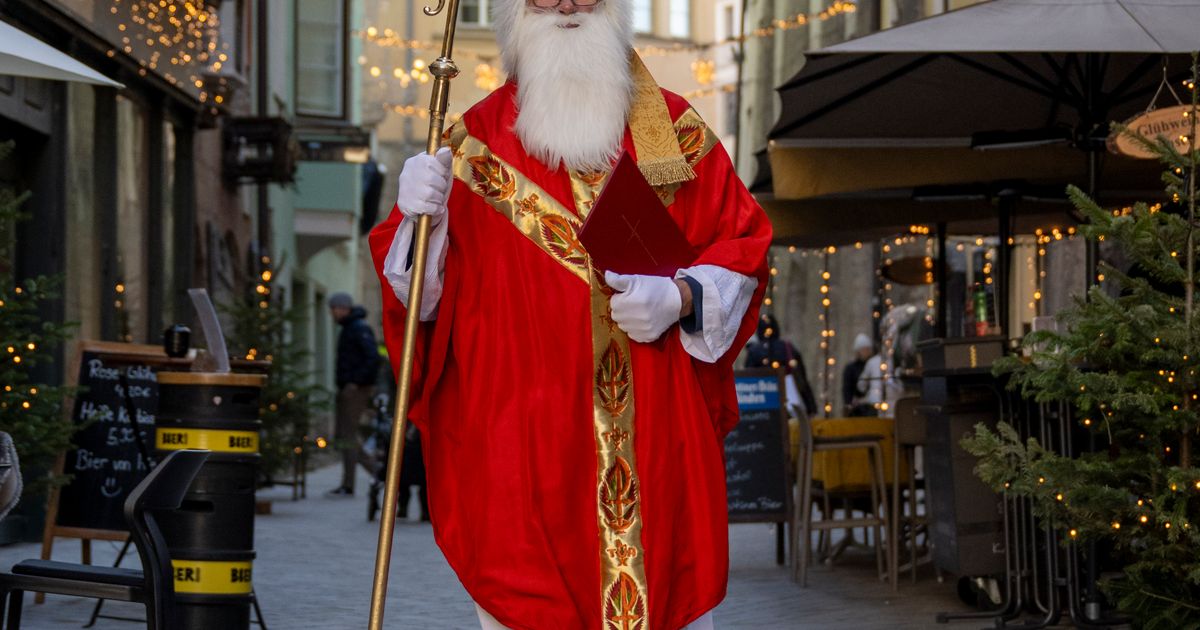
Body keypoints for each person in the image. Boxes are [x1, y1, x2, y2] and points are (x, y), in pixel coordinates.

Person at [368, 0, 772, 624]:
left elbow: (744, 246)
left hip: (653, 448)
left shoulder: (674, 131)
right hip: (517, 458)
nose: (564, 3)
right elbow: (420, 302)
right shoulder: (467, 147)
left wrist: (683, 296)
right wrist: (420, 224)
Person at [327, 292, 380, 496]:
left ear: (343, 308)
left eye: (334, 309)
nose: (332, 313)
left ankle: (377, 472)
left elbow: (372, 358)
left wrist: (355, 382)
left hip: (355, 390)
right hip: (349, 388)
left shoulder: (358, 328)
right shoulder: (350, 328)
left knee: (349, 436)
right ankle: (349, 482)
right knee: (345, 436)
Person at [744, 313, 816, 418]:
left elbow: (747, 380)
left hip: (760, 406)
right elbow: (802, 380)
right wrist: (811, 407)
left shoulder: (754, 351)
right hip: (787, 402)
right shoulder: (787, 348)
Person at [843, 333, 875, 416]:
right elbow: (847, 388)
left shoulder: (872, 365)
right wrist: (848, 404)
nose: (867, 352)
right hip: (856, 407)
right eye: (864, 349)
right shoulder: (851, 368)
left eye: (868, 349)